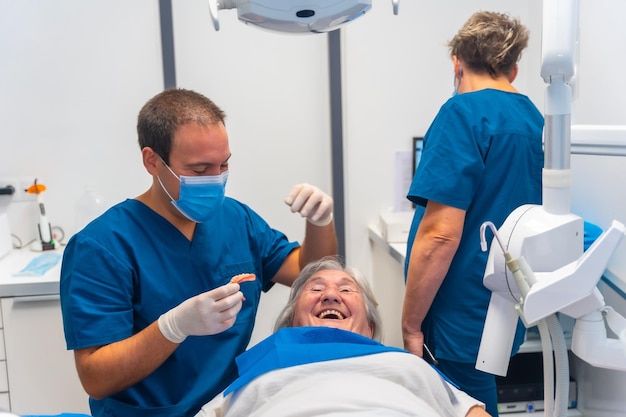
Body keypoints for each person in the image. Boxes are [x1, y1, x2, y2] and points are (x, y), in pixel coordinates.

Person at [59, 88, 338, 417]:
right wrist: (172, 328)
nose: (217, 180)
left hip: (229, 408)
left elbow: (310, 273)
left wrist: (321, 222)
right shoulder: (102, 246)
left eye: (224, 165)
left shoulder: (235, 219)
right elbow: (96, 378)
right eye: (200, 170)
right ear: (152, 161)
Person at [401, 11, 544, 417]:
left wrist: (411, 324)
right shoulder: (536, 120)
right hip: (506, 299)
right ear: (513, 69)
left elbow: (440, 235)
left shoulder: (460, 114)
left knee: (461, 404)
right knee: (479, 398)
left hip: (458, 308)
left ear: (456, 62)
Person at [196, 257, 490, 417]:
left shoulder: (406, 364)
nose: (331, 296)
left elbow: (469, 412)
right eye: (315, 289)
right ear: (291, 322)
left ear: (370, 328)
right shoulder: (262, 367)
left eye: (347, 290)